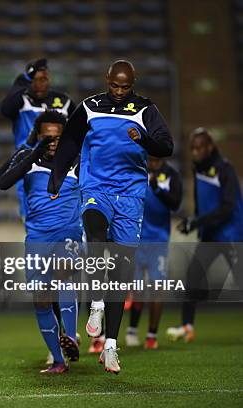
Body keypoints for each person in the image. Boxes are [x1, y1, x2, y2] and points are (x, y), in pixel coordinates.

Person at [48, 60, 173, 374]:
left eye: (125, 87)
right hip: (96, 188)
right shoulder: (90, 107)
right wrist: (56, 179)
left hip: (130, 196)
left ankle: (111, 346)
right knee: (95, 234)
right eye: (114, 86)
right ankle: (96, 304)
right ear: (107, 80)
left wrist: (142, 139)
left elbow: (166, 146)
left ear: (133, 83)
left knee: (121, 273)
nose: (119, 92)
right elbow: (71, 141)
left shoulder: (145, 110)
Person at [0, 110, 82, 374]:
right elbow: (4, 182)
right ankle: (59, 360)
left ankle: (70, 335)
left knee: (64, 276)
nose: (52, 142)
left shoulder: (77, 161)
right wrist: (35, 151)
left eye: (57, 137)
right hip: (37, 237)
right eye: (47, 137)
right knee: (41, 299)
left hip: (68, 233)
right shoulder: (29, 158)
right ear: (38, 135)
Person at [167, 128, 243, 342]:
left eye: (200, 147)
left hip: (231, 235)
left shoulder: (224, 169)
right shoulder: (197, 168)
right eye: (193, 148)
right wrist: (194, 224)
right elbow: (202, 205)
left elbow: (228, 207)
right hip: (210, 234)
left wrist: (198, 221)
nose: (196, 152)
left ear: (209, 147)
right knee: (192, 276)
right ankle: (187, 327)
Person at [0, 58, 76, 218]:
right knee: (32, 214)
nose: (38, 84)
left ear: (49, 79)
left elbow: (79, 129)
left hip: (59, 165)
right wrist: (24, 79)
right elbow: (6, 109)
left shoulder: (64, 102)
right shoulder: (22, 101)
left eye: (43, 79)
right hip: (28, 163)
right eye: (34, 80)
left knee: (63, 213)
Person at [126, 156, 182, 350]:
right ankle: (132, 330)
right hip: (136, 239)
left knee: (157, 289)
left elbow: (176, 203)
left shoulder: (171, 175)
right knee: (137, 289)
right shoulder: (136, 169)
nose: (153, 160)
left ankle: (151, 335)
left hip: (158, 242)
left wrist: (156, 187)